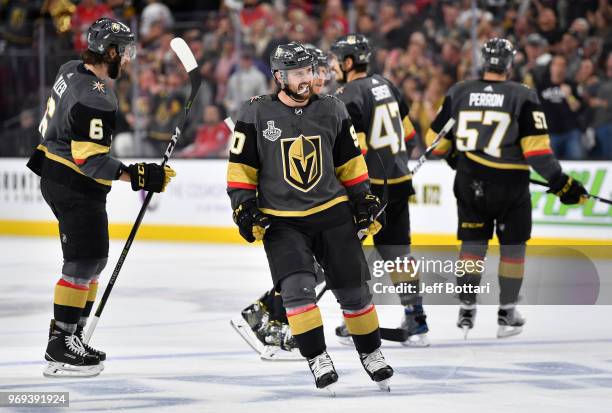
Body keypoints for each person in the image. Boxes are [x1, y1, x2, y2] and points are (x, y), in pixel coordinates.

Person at [226, 42, 393, 393]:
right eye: (299, 73)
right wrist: (243, 206)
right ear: (279, 77)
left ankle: (372, 353)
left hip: (332, 213)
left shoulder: (333, 108)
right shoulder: (255, 113)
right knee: (297, 291)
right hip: (281, 220)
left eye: (311, 72)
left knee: (354, 292)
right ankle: (317, 357)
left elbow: (351, 163)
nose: (308, 79)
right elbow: (241, 170)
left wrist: (362, 199)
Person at [26, 17, 176, 377]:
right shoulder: (96, 96)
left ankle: (73, 337)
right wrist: (140, 175)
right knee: (81, 263)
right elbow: (91, 161)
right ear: (108, 51)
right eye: (123, 52)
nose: (127, 59)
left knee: (93, 261)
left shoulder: (71, 69)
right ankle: (60, 343)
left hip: (58, 174)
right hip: (73, 183)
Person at [425, 38, 587, 339]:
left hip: (470, 182)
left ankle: (467, 309)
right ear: (510, 64)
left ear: (483, 62)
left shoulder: (460, 91)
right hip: (510, 185)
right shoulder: (522, 95)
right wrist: (561, 182)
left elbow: (433, 144)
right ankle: (506, 313)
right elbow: (537, 153)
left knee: (472, 246)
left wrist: (457, 156)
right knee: (513, 249)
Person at [330, 34, 429, 347]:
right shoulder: (387, 84)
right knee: (399, 253)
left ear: (348, 63)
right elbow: (410, 134)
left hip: (369, 189)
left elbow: (354, 149)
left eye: (335, 60)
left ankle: (355, 319)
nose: (332, 66)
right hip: (397, 183)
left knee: (347, 255)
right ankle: (416, 319)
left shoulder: (347, 95)